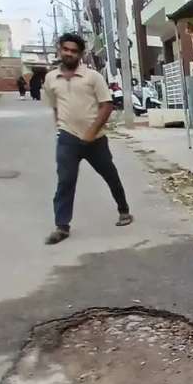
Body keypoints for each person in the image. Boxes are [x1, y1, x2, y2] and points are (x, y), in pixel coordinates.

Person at [42, 32, 133, 245]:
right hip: (68, 139)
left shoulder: (93, 77)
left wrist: (92, 132)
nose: (69, 54)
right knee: (65, 181)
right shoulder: (51, 78)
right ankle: (62, 226)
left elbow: (107, 105)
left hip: (95, 139)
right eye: (66, 49)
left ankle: (124, 210)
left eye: (74, 51)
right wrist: (60, 128)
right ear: (60, 50)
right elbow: (55, 106)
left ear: (81, 54)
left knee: (110, 175)